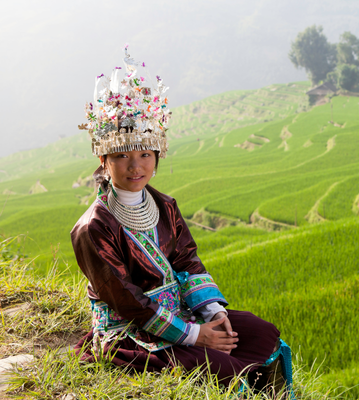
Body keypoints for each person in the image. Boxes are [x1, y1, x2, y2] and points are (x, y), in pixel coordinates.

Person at [71, 47, 293, 397]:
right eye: (122, 156)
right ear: (103, 160)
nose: (135, 166)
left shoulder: (163, 205)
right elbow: (126, 300)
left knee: (262, 333)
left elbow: (187, 259)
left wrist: (211, 311)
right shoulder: (93, 227)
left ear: (157, 157)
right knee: (226, 367)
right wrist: (195, 335)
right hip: (132, 328)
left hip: (183, 312)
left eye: (145, 154)